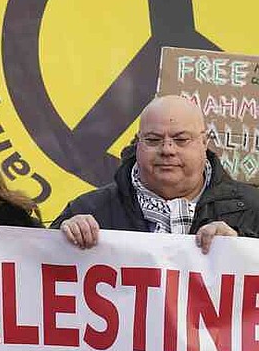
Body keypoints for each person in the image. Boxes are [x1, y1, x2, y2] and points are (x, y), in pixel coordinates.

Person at [53, 95, 259, 253]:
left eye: (181, 140)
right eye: (153, 140)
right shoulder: (90, 209)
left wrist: (243, 248)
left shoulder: (253, 209)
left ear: (204, 143)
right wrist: (62, 240)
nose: (167, 150)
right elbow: (37, 273)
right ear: (138, 142)